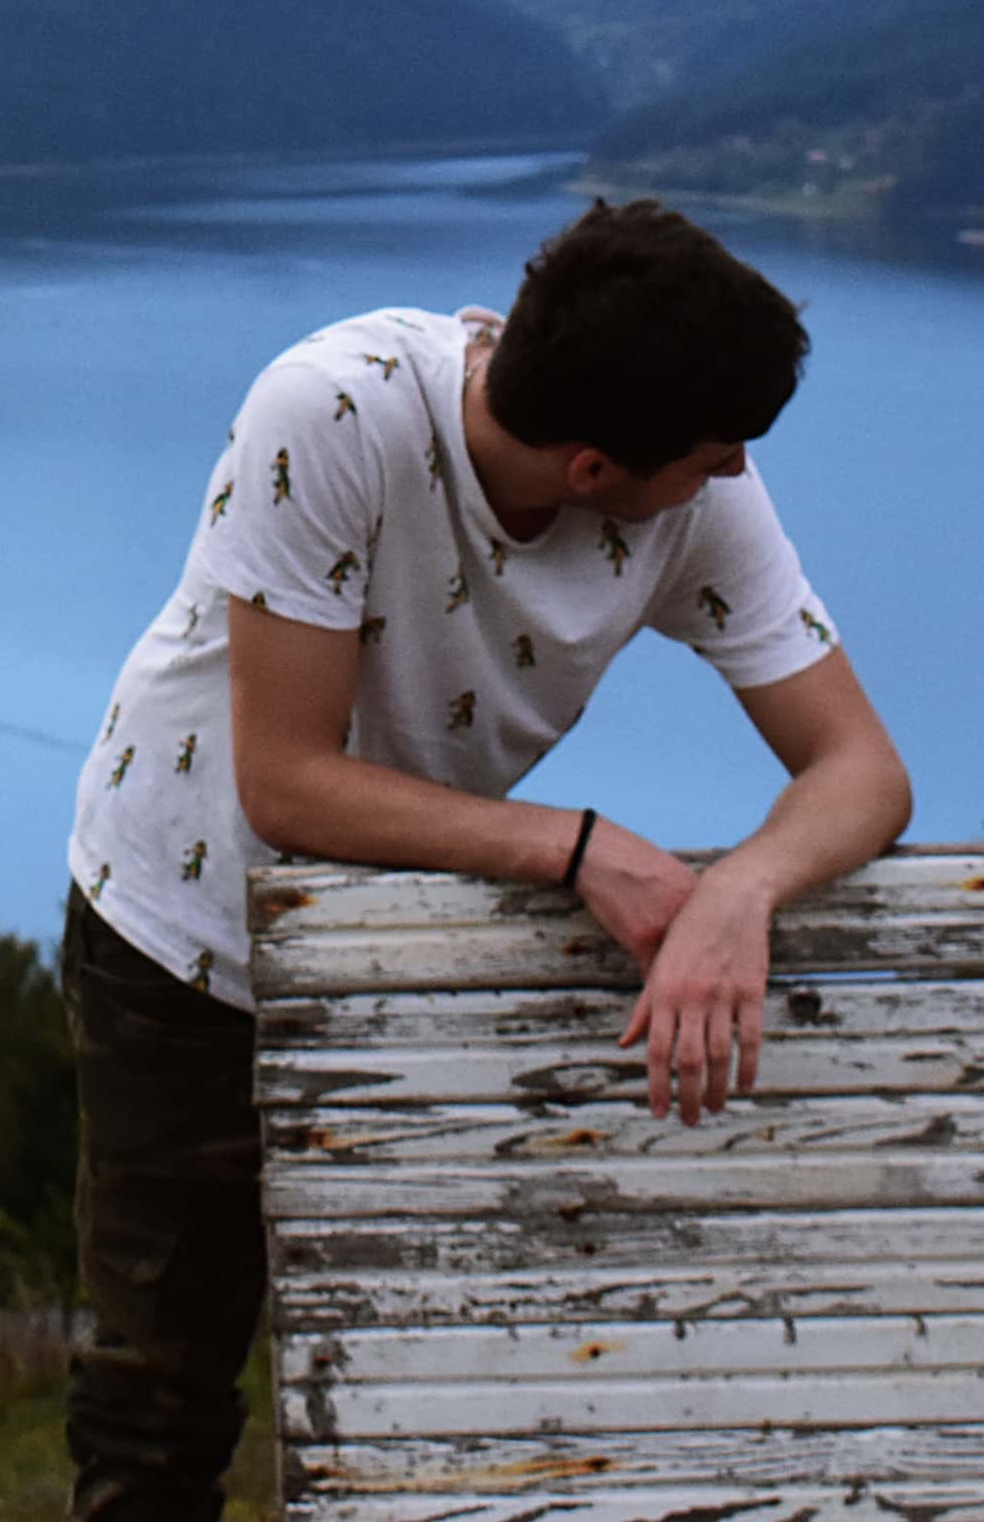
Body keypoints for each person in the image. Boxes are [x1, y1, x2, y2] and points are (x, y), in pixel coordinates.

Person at [60, 198, 913, 1522]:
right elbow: (285, 781)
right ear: (593, 470)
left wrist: (741, 890)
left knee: (428, 1360)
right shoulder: (331, 412)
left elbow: (863, 768)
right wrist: (580, 848)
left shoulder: (691, 491)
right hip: (187, 932)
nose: (737, 474)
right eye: (714, 456)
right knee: (160, 1396)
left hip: (417, 942)